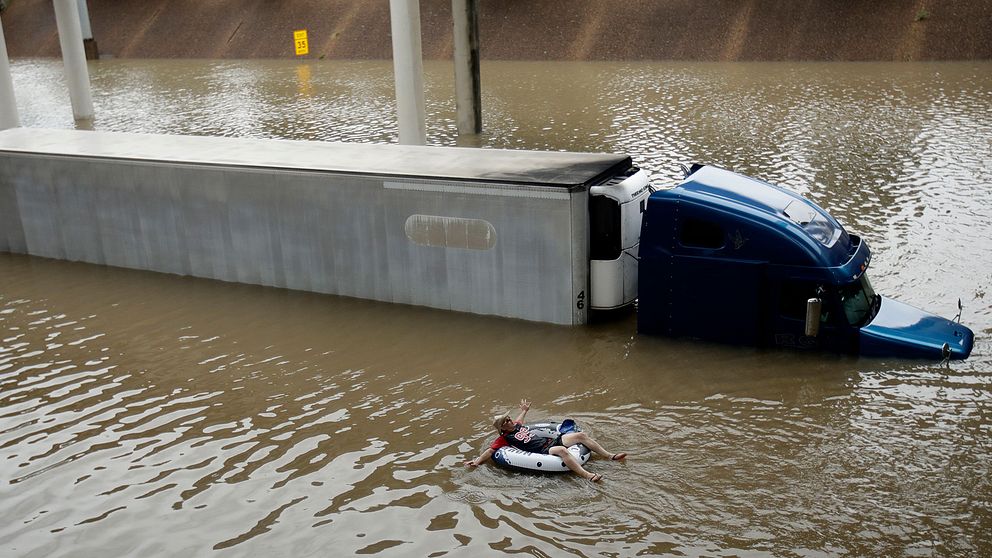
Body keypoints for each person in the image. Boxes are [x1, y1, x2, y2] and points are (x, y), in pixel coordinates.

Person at [463, 399, 627, 482]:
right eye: (505, 422)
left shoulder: (518, 425)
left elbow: (520, 418)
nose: (508, 421)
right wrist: (477, 462)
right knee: (562, 451)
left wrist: (525, 410)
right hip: (543, 450)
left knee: (581, 436)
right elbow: (491, 451)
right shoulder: (504, 439)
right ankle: (588, 475)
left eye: (507, 418)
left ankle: (610, 456)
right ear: (502, 428)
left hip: (554, 440)